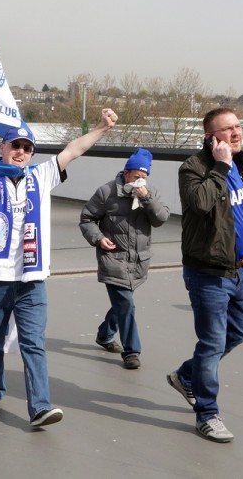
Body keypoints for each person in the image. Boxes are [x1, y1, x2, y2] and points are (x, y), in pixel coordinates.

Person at [0, 94, 117, 428]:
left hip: (31, 280)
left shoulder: (41, 176)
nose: (21, 152)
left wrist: (102, 127)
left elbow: (73, 150)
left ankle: (40, 406)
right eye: (14, 146)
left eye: (27, 148)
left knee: (33, 343)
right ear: (1, 148)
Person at [166, 107, 243, 443]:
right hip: (207, 273)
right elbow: (201, 203)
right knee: (211, 344)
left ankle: (186, 375)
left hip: (238, 271)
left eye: (239, 126)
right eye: (228, 129)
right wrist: (220, 167)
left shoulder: (242, 164)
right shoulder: (193, 168)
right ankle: (207, 414)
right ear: (211, 137)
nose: (237, 133)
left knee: (237, 333)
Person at [79, 148, 169, 370]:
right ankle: (131, 352)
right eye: (136, 176)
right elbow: (86, 219)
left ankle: (105, 334)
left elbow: (161, 218)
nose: (139, 181)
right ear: (126, 173)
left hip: (138, 261)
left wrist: (146, 198)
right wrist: (99, 238)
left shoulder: (150, 192)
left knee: (122, 304)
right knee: (126, 304)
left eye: (143, 177)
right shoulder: (106, 192)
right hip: (113, 259)